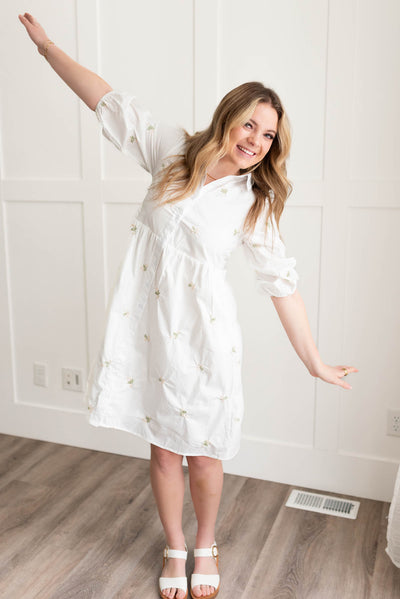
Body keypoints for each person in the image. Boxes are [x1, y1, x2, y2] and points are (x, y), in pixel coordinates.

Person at [19, 12, 358, 599]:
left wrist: (315, 361)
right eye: (249, 124)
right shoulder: (172, 151)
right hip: (148, 331)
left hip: (205, 339)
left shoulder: (253, 203)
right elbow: (106, 101)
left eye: (268, 135)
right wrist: (48, 49)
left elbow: (283, 284)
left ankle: (206, 543)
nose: (255, 140)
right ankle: (175, 546)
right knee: (162, 448)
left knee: (203, 454)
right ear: (228, 118)